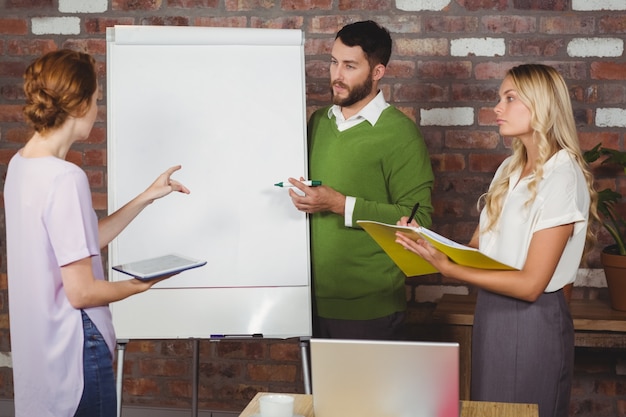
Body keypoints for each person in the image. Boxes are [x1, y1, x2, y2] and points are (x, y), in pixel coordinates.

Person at [395, 64, 599, 417]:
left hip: (533, 321)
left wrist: (450, 270)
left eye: (509, 98)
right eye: (498, 98)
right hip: (490, 313)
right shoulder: (508, 169)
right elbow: (478, 250)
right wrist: (425, 242)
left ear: (541, 105)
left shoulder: (563, 176)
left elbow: (532, 284)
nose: (497, 108)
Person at [4, 49, 191, 417]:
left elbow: (81, 243)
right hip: (77, 350)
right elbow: (82, 292)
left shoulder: (21, 165)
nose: (96, 110)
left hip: (42, 354)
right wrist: (140, 285)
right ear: (77, 105)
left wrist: (147, 197)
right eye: (94, 101)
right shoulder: (65, 178)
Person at [288, 20, 434, 340]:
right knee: (319, 393)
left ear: (377, 71)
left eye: (350, 66)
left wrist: (339, 204)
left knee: (367, 393)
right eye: (333, 62)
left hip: (371, 308)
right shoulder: (318, 123)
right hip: (308, 300)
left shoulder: (400, 134)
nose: (337, 75)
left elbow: (418, 219)